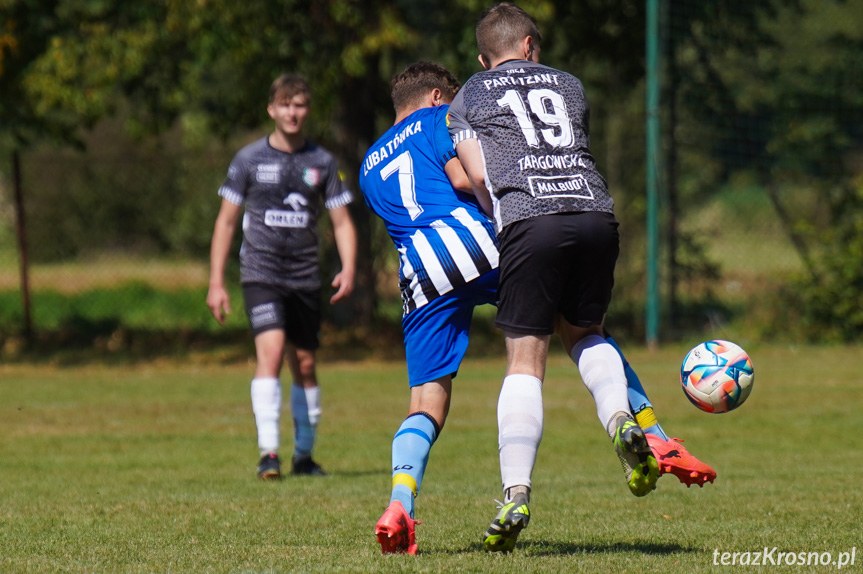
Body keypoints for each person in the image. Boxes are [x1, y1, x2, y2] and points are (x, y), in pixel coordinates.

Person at [361, 61, 714, 555]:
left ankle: (401, 503)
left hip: (421, 271)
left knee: (426, 401)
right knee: (581, 328)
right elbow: (465, 179)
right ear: (439, 96)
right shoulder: (439, 121)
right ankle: (653, 434)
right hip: (479, 243)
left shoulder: (368, 162)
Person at [446, 2, 657, 552]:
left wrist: (502, 216)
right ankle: (619, 420)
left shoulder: (470, 93)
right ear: (531, 46)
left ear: (483, 57)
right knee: (587, 334)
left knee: (525, 359)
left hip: (530, 222)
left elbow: (478, 174)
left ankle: (516, 491)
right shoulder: (569, 83)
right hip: (595, 214)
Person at [207, 74, 357, 480]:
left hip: (306, 276)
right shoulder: (248, 160)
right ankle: (268, 453)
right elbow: (225, 223)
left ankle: (304, 457)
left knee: (305, 364)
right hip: (262, 273)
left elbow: (341, 222)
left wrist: (348, 266)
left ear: (308, 110)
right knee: (270, 354)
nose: (293, 112)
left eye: (301, 104)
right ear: (271, 109)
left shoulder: (322, 163)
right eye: (286, 104)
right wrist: (216, 281)